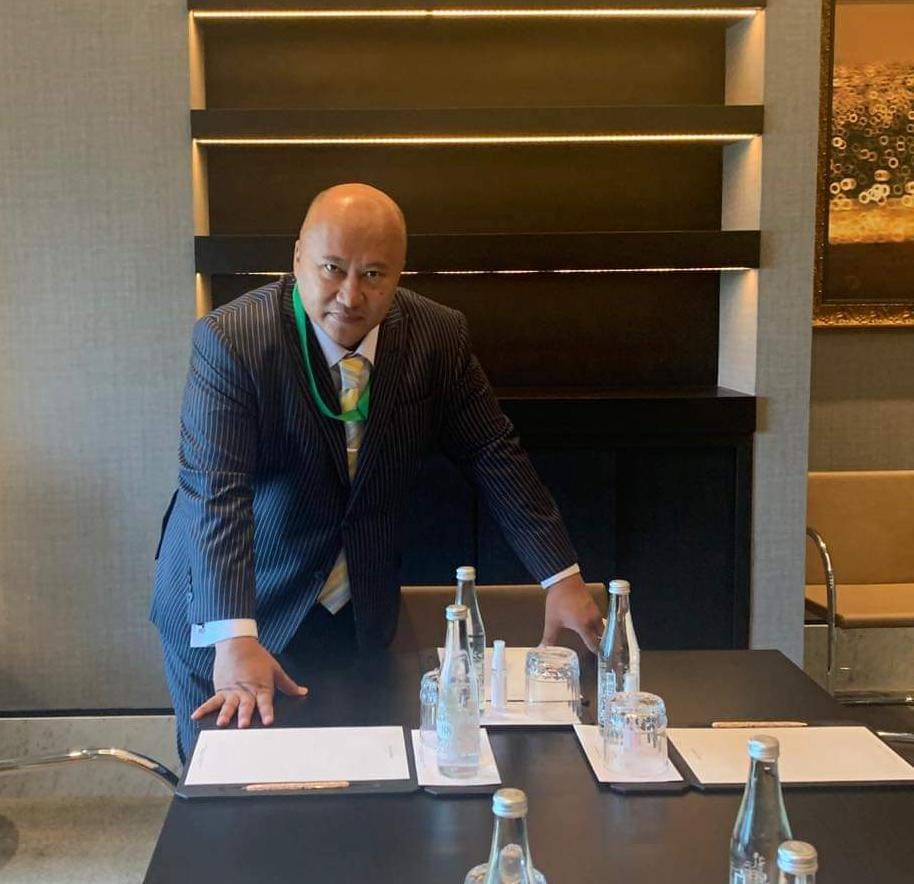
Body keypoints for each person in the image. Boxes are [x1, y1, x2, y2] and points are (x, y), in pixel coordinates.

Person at [152, 183, 603, 761]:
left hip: (355, 607)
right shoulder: (233, 340)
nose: (349, 295)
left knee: (354, 773)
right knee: (234, 783)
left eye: (372, 275)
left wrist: (560, 577)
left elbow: (492, 451)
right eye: (332, 269)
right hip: (236, 600)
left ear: (398, 274)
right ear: (297, 258)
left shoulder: (436, 336)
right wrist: (235, 634)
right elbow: (217, 492)